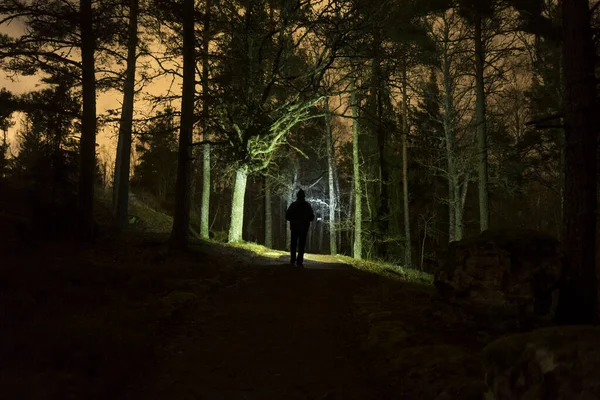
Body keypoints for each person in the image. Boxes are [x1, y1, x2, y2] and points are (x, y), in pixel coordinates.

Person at [285, 189, 314, 267]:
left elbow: (287, 216)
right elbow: (312, 217)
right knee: (301, 245)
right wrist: (305, 220)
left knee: (293, 244)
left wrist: (293, 220)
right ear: (304, 196)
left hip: (294, 227)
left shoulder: (293, 205)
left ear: (297, 196)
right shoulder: (307, 205)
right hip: (304, 228)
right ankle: (299, 261)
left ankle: (292, 260)